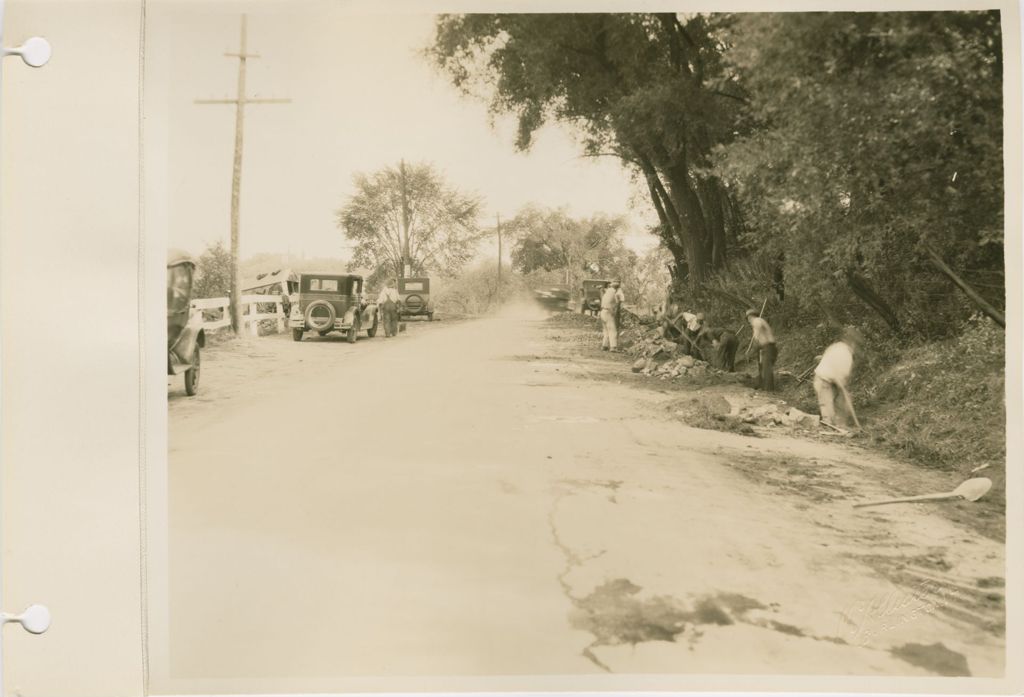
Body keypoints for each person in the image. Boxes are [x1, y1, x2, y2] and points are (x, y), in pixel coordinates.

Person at [813, 328, 863, 429]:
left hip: (829, 381)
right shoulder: (845, 355)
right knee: (829, 418)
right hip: (823, 381)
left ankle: (840, 424)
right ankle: (832, 427)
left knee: (841, 403)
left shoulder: (838, 346)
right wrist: (843, 388)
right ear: (853, 343)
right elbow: (839, 379)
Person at [746, 309, 778, 391]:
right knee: (762, 367)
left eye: (748, 319)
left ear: (750, 317)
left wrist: (752, 349)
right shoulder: (758, 321)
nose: (748, 321)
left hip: (768, 347)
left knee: (766, 368)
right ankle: (762, 386)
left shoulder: (757, 321)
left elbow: (757, 337)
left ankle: (769, 390)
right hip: (765, 347)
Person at [600, 280, 625, 351]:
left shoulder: (607, 292)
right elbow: (620, 301)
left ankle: (604, 346)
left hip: (603, 311)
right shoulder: (615, 292)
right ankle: (613, 347)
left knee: (605, 330)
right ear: (617, 287)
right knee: (612, 330)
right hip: (608, 311)